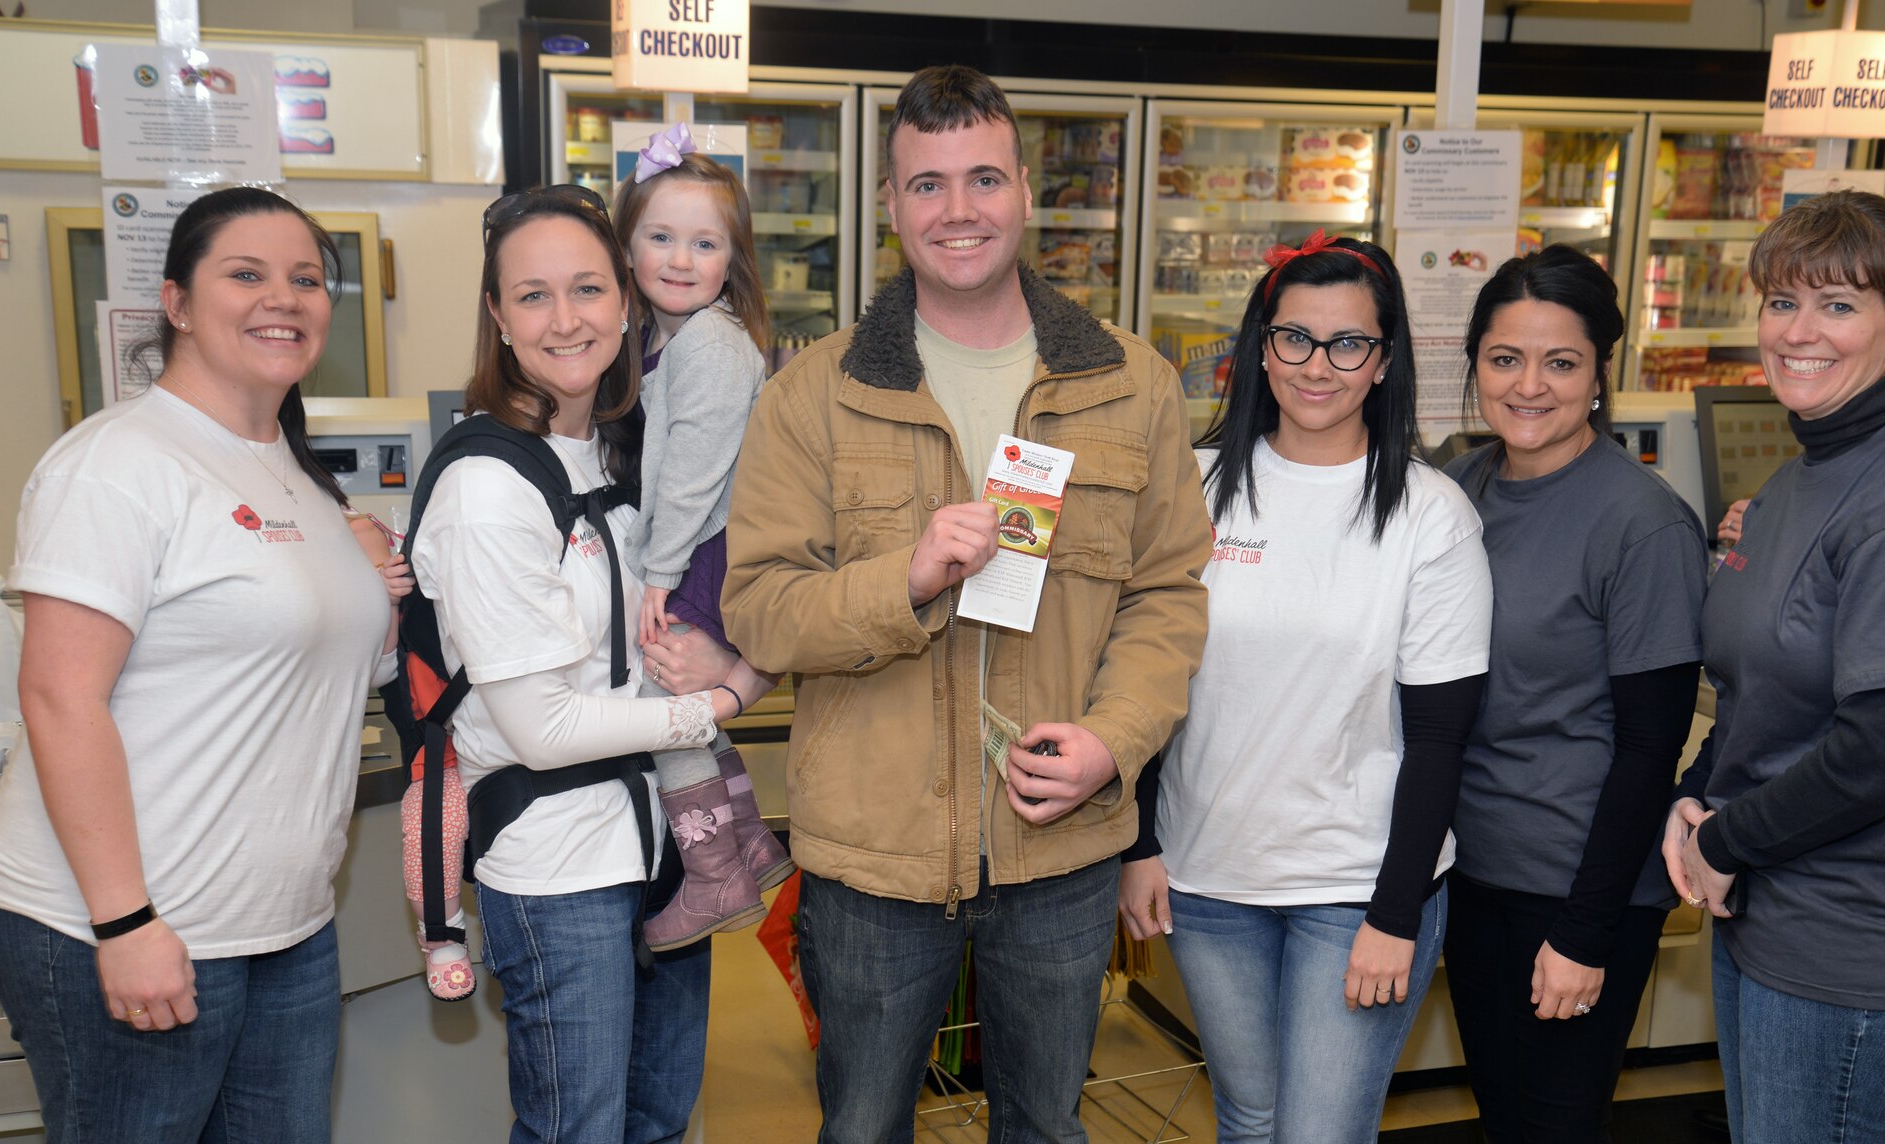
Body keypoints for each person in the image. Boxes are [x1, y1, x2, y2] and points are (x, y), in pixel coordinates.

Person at [723, 64, 1211, 1142]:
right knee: (861, 1128)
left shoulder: (1130, 385)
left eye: (982, 178)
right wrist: (899, 578)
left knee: (1045, 1126)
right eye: (928, 185)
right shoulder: (814, 391)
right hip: (872, 860)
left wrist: (1112, 741)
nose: (958, 211)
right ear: (890, 207)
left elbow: (1167, 595)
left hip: (1062, 848)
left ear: (1024, 191)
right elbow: (758, 609)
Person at [0, 187, 404, 1142]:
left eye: (307, 279)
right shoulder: (117, 463)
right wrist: (125, 922)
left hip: (285, 926)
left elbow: (314, 679)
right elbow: (59, 698)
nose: (285, 298)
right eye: (247, 275)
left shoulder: (296, 474)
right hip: (133, 924)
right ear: (176, 302)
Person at [413, 183, 775, 1144]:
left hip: (661, 849)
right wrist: (725, 701)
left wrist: (744, 661)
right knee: (582, 1130)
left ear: (626, 299)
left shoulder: (625, 456)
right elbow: (543, 728)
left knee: (658, 1122)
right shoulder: (488, 484)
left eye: (586, 289)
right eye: (532, 296)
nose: (566, 320)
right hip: (558, 865)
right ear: (497, 315)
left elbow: (715, 612)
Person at [1117, 230, 1493, 1142]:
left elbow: (1441, 739)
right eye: (1294, 338)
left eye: (1348, 344)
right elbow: (1135, 679)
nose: (1317, 366)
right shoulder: (1195, 487)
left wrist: (1396, 915)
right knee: (1248, 1118)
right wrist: (1138, 842)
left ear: (1383, 361)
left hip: (1354, 887)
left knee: (1319, 1133)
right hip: (1207, 876)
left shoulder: (1429, 515)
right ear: (1258, 346)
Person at [1664, 189, 1885, 1144]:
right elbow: (1760, 688)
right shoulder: (1803, 469)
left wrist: (1720, 842)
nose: (1798, 332)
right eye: (1781, 302)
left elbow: (1884, 751)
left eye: (1839, 306)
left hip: (1860, 942)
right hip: (1771, 909)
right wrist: (1695, 796)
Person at [1441, 246, 1705, 1142]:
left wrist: (1587, 932)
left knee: (1554, 1127)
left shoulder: (1643, 522)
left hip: (1577, 885)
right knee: (1502, 1118)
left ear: (1600, 374)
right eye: (1505, 358)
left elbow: (1649, 745)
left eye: (1561, 362)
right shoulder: (1459, 489)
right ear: (1474, 362)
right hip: (1471, 868)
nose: (1529, 386)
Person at [612, 124, 792, 951]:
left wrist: (658, 571)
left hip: (706, 545)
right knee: (690, 707)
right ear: (628, 246)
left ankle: (714, 872)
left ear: (733, 259)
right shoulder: (671, 339)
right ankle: (750, 843)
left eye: (705, 242)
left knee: (666, 703)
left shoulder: (711, 345)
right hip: (705, 541)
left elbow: (690, 472)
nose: (681, 259)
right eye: (661, 237)